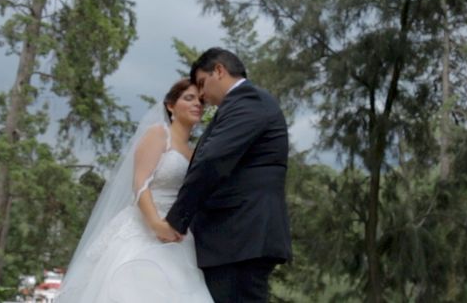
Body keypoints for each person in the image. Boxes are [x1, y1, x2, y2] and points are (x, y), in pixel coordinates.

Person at [56, 79, 214, 303]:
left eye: (200, 100)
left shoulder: (193, 152)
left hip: (179, 236)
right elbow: (140, 184)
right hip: (144, 229)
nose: (197, 104)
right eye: (188, 98)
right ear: (170, 106)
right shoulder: (159, 134)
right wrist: (157, 225)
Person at [162, 48, 292, 302]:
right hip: (234, 239)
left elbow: (213, 160)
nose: (201, 95)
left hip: (241, 237)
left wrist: (177, 220)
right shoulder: (240, 105)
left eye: (202, 84)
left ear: (219, 71)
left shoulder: (248, 101)